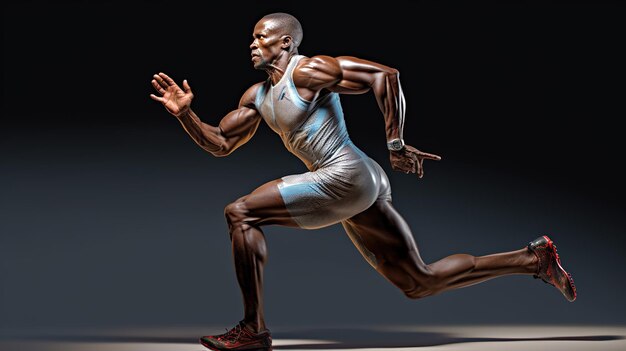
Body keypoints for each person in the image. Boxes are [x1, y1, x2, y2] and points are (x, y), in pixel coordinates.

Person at [150, 12, 576, 351]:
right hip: (357, 182)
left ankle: (252, 330)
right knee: (418, 281)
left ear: (286, 43)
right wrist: (186, 114)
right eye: (252, 37)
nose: (253, 43)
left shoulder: (308, 71)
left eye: (262, 36)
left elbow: (384, 76)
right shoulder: (257, 98)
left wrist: (396, 141)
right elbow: (221, 143)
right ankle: (531, 259)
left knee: (240, 213)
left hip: (345, 175)